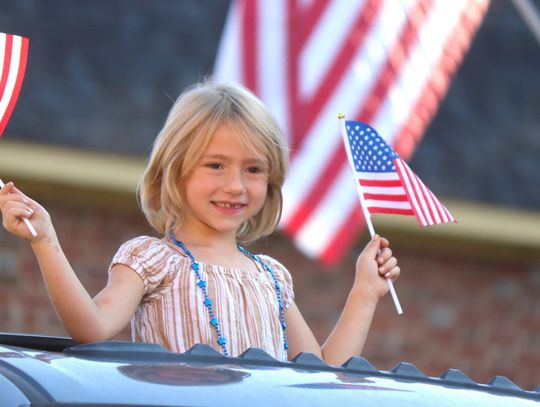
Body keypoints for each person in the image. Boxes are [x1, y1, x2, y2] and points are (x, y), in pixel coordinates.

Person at [0, 82, 400, 365]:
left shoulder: (272, 278)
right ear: (176, 171)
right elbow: (91, 327)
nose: (235, 185)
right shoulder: (151, 259)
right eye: (215, 165)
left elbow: (321, 377)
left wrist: (364, 293)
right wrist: (46, 241)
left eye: (254, 169)